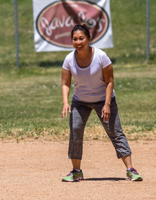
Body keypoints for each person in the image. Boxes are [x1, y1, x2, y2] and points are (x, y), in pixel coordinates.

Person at [61, 23, 143, 182]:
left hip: (103, 100)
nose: (78, 42)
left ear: (89, 39)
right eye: (75, 39)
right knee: (75, 130)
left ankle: (130, 169)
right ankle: (76, 171)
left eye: (82, 38)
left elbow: (109, 82)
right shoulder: (69, 59)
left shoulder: (101, 56)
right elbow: (65, 83)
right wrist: (65, 102)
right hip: (80, 101)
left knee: (115, 132)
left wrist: (106, 105)